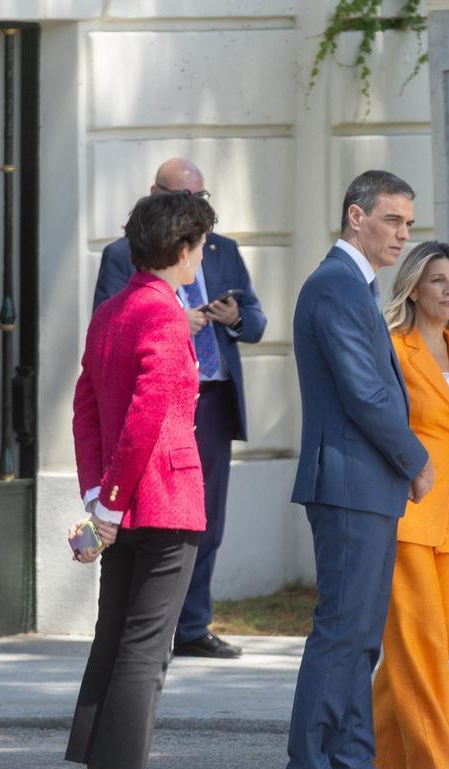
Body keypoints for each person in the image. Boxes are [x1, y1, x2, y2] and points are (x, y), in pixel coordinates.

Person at [281, 170, 433, 769]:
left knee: (361, 635)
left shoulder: (354, 285)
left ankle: (350, 768)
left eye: (408, 222)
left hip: (364, 484)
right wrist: (415, 459)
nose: (404, 233)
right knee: (344, 631)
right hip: (349, 482)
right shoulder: (336, 285)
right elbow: (366, 394)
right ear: (355, 217)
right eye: (393, 220)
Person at [67, 191, 214, 769]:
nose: (200, 255)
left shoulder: (111, 310)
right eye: (200, 245)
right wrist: (117, 501)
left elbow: (86, 410)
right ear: (181, 249)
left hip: (122, 502)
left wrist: (100, 498)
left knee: (114, 640)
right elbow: (147, 415)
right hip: (160, 500)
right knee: (143, 653)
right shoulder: (163, 313)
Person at [93, 157, 266, 660]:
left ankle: (192, 626)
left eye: (201, 199)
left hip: (210, 397)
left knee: (205, 517)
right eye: (184, 198)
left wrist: (234, 317)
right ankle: (147, 625)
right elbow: (109, 322)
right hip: (155, 400)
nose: (194, 209)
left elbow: (256, 322)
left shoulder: (223, 250)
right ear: (154, 193)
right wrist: (170, 323)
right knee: (150, 517)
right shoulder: (122, 254)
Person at [371, 242, 449, 769]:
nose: (448, 290)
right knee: (417, 642)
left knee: (435, 642)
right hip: (409, 508)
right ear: (414, 287)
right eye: (438, 280)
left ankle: (376, 757)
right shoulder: (393, 347)